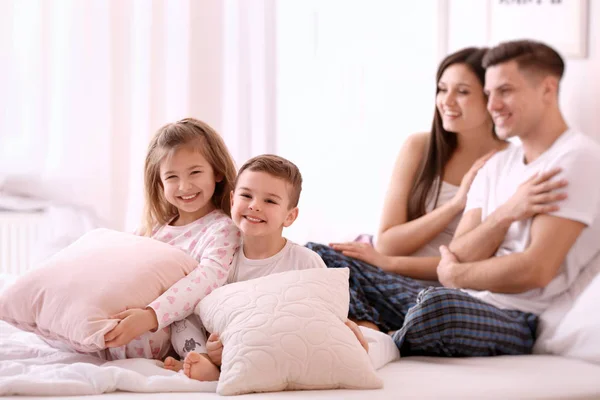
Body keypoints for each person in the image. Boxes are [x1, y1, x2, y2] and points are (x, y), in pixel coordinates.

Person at [391, 39, 600, 356]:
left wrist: (453, 275)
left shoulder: (576, 159)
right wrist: (507, 212)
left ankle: (380, 341)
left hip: (517, 316)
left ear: (547, 89)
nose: (492, 105)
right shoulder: (497, 163)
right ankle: (374, 331)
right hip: (470, 299)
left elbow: (535, 270)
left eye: (505, 91)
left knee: (436, 306)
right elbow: (459, 251)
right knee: (335, 265)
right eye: (489, 94)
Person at [306, 46, 507, 332]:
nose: (446, 101)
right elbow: (388, 240)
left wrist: (389, 263)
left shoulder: (507, 163)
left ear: (491, 97)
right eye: (442, 89)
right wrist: (455, 203)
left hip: (439, 291)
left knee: (430, 308)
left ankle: (367, 328)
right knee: (312, 256)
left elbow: (467, 263)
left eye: (462, 92)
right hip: (386, 275)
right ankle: (368, 328)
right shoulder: (420, 147)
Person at [163, 154, 369, 381]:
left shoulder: (306, 262)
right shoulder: (220, 256)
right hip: (222, 341)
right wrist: (212, 347)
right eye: (246, 195)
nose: (254, 206)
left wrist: (344, 326)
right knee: (179, 316)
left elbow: (320, 316)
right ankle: (201, 359)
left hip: (275, 341)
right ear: (232, 201)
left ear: (290, 216)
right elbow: (201, 308)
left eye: (269, 201)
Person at [102, 118, 241, 360]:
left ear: (217, 172)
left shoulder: (222, 229)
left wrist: (150, 315)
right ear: (160, 182)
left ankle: (202, 362)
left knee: (180, 325)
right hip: (133, 320)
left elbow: (206, 279)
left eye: (195, 172)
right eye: (172, 177)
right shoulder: (154, 229)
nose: (184, 186)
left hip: (176, 326)